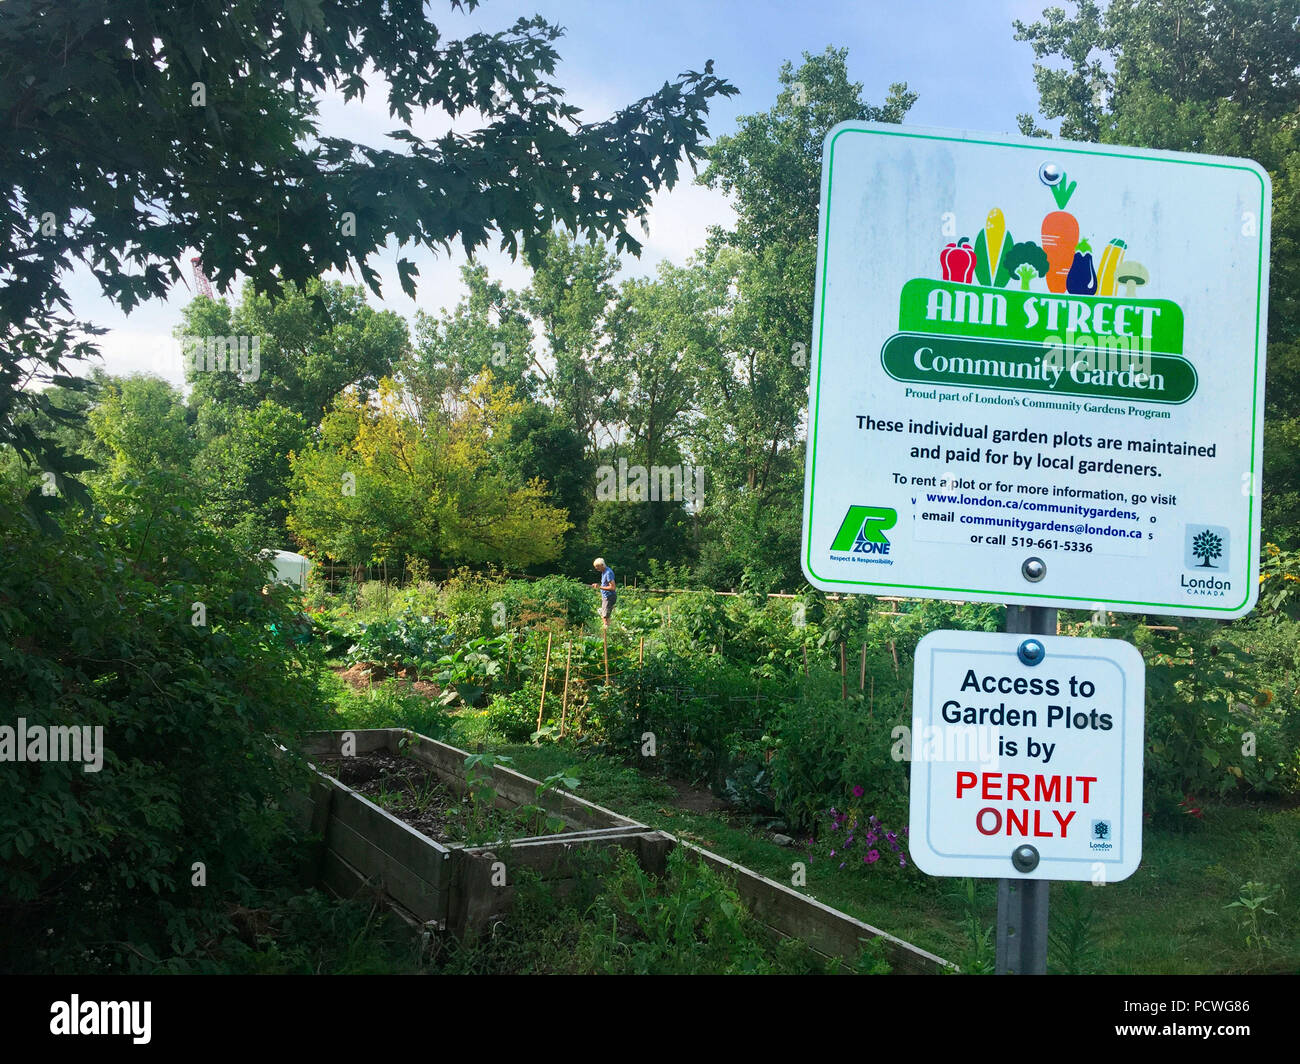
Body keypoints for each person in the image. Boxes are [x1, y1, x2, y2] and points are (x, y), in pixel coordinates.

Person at [591, 557, 616, 629]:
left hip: (609, 596)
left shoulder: (608, 573)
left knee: (605, 616)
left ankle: (606, 632)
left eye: (597, 566)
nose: (596, 568)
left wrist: (599, 587)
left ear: (602, 565)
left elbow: (613, 587)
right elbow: (605, 584)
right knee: (605, 615)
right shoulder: (604, 572)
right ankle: (608, 631)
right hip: (606, 596)